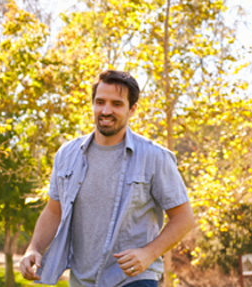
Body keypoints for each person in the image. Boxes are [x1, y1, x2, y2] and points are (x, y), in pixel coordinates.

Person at [17, 70, 198, 287]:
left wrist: (149, 254)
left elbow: (184, 217)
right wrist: (33, 248)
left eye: (116, 104)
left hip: (133, 279)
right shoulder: (67, 154)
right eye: (100, 102)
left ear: (132, 109)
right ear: (92, 104)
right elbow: (54, 211)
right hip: (82, 280)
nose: (106, 110)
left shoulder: (154, 157)